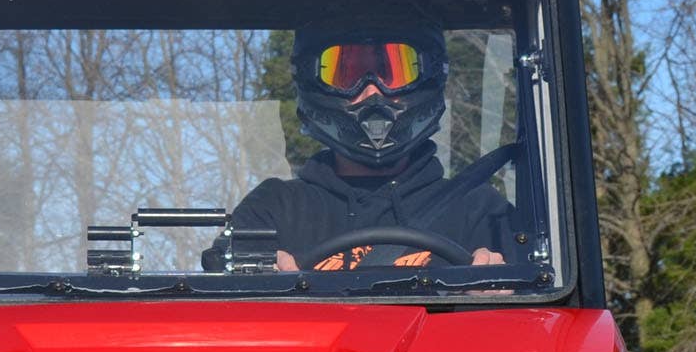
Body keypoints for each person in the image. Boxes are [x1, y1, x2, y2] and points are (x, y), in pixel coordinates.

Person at [210, 26, 523, 272]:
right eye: (347, 74)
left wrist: (494, 285)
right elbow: (222, 296)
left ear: (428, 76)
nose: (373, 92)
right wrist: (261, 281)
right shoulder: (276, 211)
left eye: (394, 72)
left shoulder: (480, 213)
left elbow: (534, 317)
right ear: (312, 80)